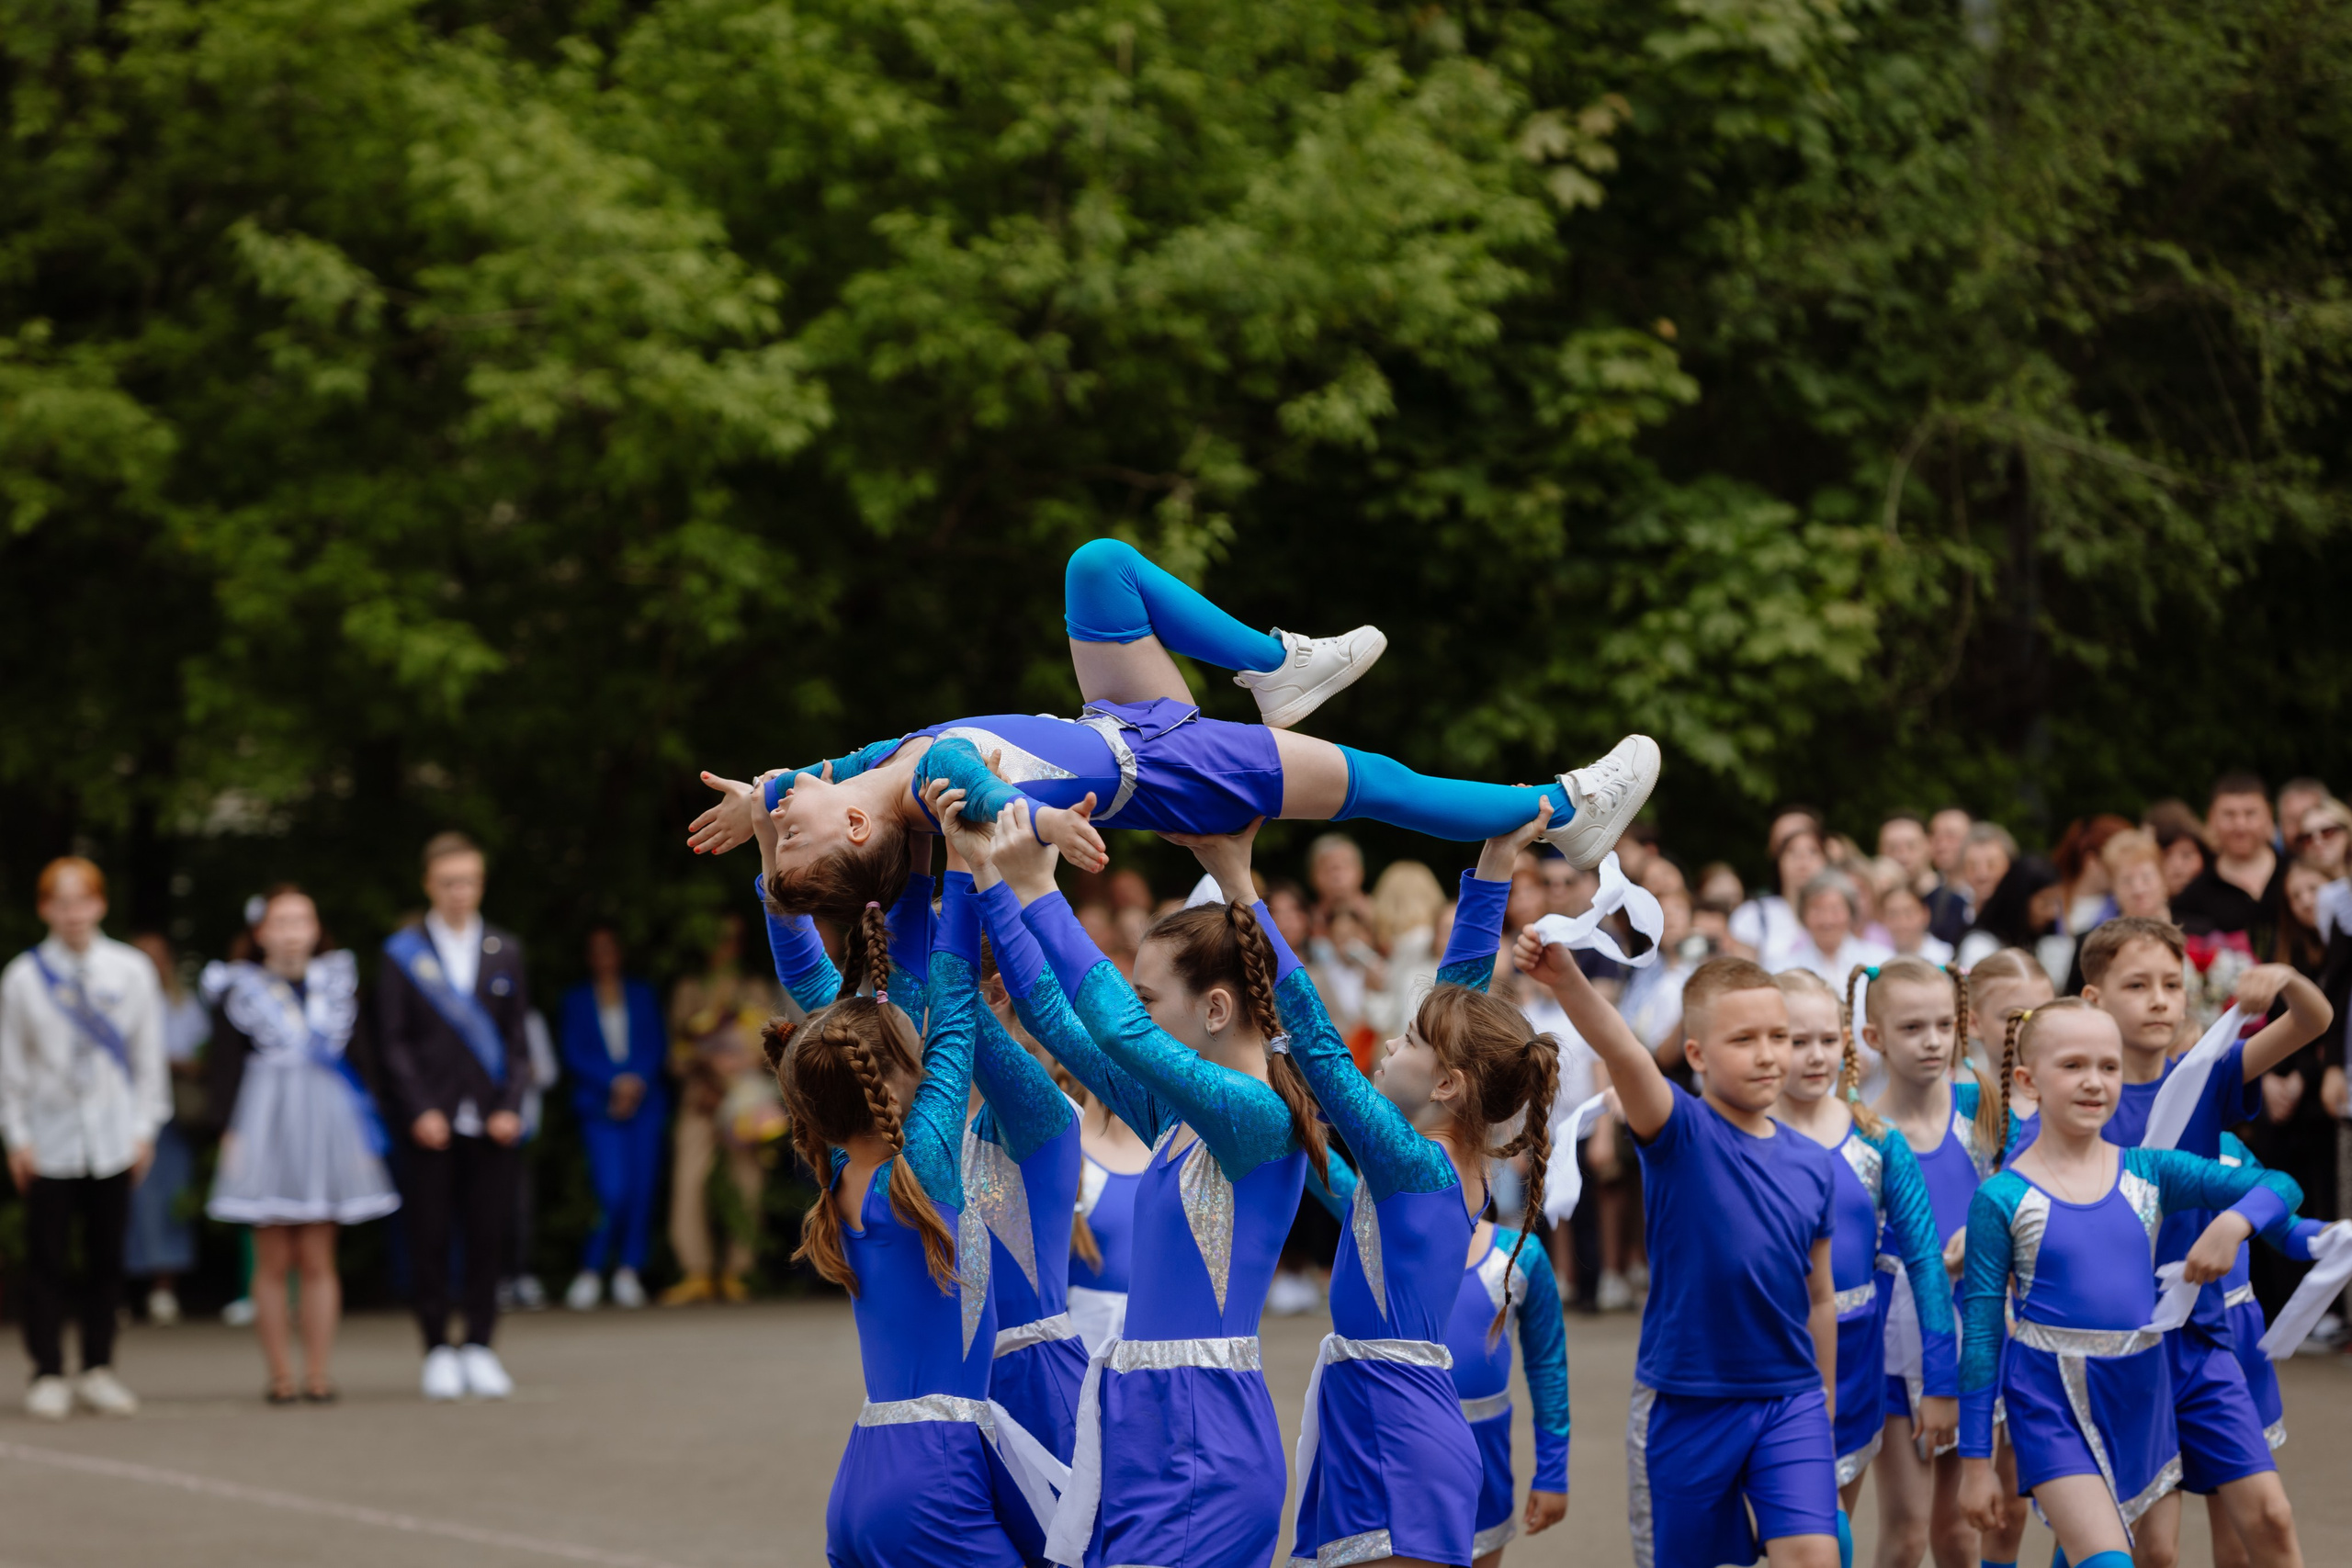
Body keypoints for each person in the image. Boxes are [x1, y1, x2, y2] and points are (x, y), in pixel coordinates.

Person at [686, 537, 1663, 908]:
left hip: (1126, 721)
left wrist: (761, 801)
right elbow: (991, 802)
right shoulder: (938, 781)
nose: (775, 818)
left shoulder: (882, 775)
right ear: (854, 828)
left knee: (1097, 568)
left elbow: (810, 777)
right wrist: (1041, 827)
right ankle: (1560, 809)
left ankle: (1277, 666)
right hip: (1171, 769)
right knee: (1378, 783)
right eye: (786, 838)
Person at [1185, 808, 1561, 1568]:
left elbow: (1319, 1043)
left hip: (1397, 1429)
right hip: (1378, 1415)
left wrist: (1238, 882)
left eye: (1413, 1041)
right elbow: (1457, 996)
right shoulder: (1440, 1154)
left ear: (1451, 1084)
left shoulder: (1414, 1162)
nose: (1393, 1039)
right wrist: (1492, 862)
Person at [971, 795, 1326, 1568]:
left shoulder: (1258, 1114)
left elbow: (1111, 1026)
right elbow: (1064, 1025)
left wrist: (1040, 890)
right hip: (1151, 1426)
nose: (1137, 1013)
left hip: (1205, 1438)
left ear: (1216, 1007)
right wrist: (995, 885)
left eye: (1150, 997)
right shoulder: (1180, 1116)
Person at [1512, 935, 1841, 1568]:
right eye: (1744, 1040)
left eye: (1782, 1037)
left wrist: (1824, 1397)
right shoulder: (1679, 1129)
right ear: (1696, 1053)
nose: (1769, 1054)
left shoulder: (1814, 1165)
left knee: (1814, 1557)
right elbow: (1624, 1050)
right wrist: (1568, 979)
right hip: (1687, 1400)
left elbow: (1821, 1295)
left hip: (1790, 1397)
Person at [1955, 1002, 2306, 1568]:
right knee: (2108, 1560)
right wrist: (1976, 1462)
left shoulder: (2150, 1171)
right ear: (2027, 1080)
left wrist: (2233, 1224)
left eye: (2108, 1066)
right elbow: (1980, 1338)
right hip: (2050, 1399)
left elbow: (2280, 1184)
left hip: (2142, 1393)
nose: (2094, 1081)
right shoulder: (2001, 1198)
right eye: (2072, 1066)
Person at [766, 896, 1043, 1568]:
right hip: (933, 1477)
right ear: (891, 1085)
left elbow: (834, 1018)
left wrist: (777, 879)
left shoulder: (840, 1175)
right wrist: (954, 860)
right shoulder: (922, 1169)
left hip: (863, 1472)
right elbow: (952, 1015)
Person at [2059, 917, 2334, 1567]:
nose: (2159, 998)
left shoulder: (2205, 1075)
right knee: (2153, 1548)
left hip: (2202, 1335)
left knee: (2268, 1515)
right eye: (2137, 984)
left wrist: (2288, 979)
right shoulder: (2074, 1094)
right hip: (2120, 1338)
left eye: (2172, 984)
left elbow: (2312, 1022)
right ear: (2093, 999)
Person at [1768, 966, 1955, 1564]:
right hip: (1763, 1353)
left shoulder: (1878, 1140)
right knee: (1790, 1535)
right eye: (1797, 1041)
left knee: (1832, 1531)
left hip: (1853, 1360)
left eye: (1828, 1039)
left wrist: (1942, 1380)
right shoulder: (1736, 1134)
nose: (1816, 1055)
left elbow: (1925, 1259)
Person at [1857, 957, 2027, 1568]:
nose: (1932, 1040)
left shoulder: (1980, 1101)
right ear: (1873, 1036)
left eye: (1942, 1024)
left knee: (1961, 1531)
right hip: (1890, 1338)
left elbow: (2022, 1187)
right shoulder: (1861, 1126)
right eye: (1910, 1027)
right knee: (1904, 1533)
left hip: (1975, 1327)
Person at [204, 885, 401, 1403]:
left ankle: (318, 1371)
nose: (292, 932)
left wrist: (366, 1134)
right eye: (281, 921)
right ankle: (279, 1375)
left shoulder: (338, 984)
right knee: (272, 1257)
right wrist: (229, 1133)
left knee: (318, 1255)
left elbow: (363, 1061)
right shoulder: (238, 989)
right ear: (261, 932)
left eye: (302, 920)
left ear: (316, 929)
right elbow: (223, 1069)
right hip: (265, 1123)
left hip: (328, 1123)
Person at [0, 857, 166, 1420]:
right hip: (49, 1139)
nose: (73, 913)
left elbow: (149, 1058)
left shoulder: (130, 969)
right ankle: (47, 1370)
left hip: (115, 1134)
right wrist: (16, 1136)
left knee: (107, 1257)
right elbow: (11, 1067)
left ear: (101, 904)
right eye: (61, 902)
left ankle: (99, 1367)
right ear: (44, 908)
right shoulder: (22, 978)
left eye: (83, 900)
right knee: (46, 1260)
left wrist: (145, 1128)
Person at [377, 831, 532, 1402]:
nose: (459, 892)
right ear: (428, 886)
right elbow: (390, 1042)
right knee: (430, 1236)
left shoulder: (504, 948)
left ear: (480, 883)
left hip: (493, 1121)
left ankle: (482, 1347)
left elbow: (517, 1039)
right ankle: (438, 1347)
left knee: (491, 1235)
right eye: (447, 883)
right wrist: (419, 1109)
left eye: (467, 881)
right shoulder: (402, 952)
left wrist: (510, 1106)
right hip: (430, 1122)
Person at [662, 912, 785, 1305]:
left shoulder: (754, 986)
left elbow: (772, 1047)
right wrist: (707, 1069)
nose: (725, 946)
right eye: (719, 938)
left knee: (748, 1181)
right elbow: (676, 1054)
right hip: (700, 1099)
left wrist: (742, 1065)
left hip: (747, 1101)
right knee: (688, 1181)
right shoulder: (688, 988)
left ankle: (738, 1272)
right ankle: (696, 1270)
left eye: (733, 938)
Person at [560, 926, 668, 1312]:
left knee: (641, 1190)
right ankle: (590, 1269)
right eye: (597, 950)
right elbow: (573, 1052)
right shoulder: (575, 999)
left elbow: (656, 1044)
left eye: (610, 949)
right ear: (590, 957)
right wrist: (614, 1083)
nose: (605, 956)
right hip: (600, 1106)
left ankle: (628, 1271)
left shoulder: (641, 993)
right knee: (611, 1191)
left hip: (644, 1103)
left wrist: (634, 1082)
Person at [125, 931, 209, 1325]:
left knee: (170, 1200)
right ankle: (121, 1290)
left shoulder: (183, 1003)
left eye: (157, 956)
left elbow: (199, 1054)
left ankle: (163, 1289)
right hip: (122, 1112)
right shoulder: (114, 998)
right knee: (125, 1203)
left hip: (172, 1116)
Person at [2173, 773, 2281, 941]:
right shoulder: (2192, 899)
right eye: (2229, 814)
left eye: (2250, 813)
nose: (2240, 825)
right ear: (2211, 817)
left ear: (2268, 814)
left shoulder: (2297, 876)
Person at [1731, 813, 1829, 974]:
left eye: (1813, 851)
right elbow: (1743, 978)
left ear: (1826, 860)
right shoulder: (1753, 915)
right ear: (1779, 861)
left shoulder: (1842, 916)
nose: (1803, 860)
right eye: (1792, 852)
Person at [1785, 870, 1892, 989]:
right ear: (1803, 915)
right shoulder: (1786, 969)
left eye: (1835, 909)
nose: (1827, 920)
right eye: (1817, 910)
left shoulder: (1879, 960)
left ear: (1850, 912)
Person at [1925, 808, 1975, 945]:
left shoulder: (1989, 893)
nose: (1941, 844)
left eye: (1951, 836)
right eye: (1934, 836)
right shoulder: (1924, 894)